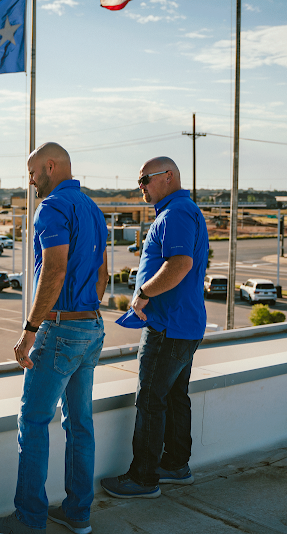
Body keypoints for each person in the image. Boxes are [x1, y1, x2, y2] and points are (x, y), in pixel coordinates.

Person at [0, 143, 108, 534]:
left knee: (34, 421)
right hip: (91, 326)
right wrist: (84, 311)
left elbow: (53, 271)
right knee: (80, 424)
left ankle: (29, 518)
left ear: (50, 166)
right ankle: (78, 513)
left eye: (33, 172)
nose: (31, 180)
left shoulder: (51, 208)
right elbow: (104, 275)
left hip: (59, 329)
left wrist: (30, 331)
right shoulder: (92, 208)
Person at [101, 156, 208, 499]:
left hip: (167, 325)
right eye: (140, 180)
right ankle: (175, 464)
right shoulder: (180, 210)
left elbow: (180, 264)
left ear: (169, 176)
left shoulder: (176, 213)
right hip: (183, 324)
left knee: (150, 399)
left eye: (145, 179)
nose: (141, 186)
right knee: (175, 396)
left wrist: (143, 293)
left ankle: (143, 478)